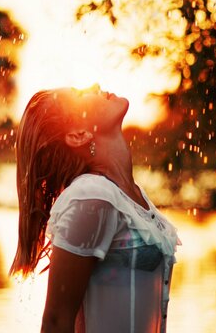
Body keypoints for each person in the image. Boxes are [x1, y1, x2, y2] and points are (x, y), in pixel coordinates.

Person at [10, 85, 181, 333]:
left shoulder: (129, 195)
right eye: (80, 95)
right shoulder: (91, 197)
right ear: (79, 135)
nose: (96, 87)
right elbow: (56, 322)